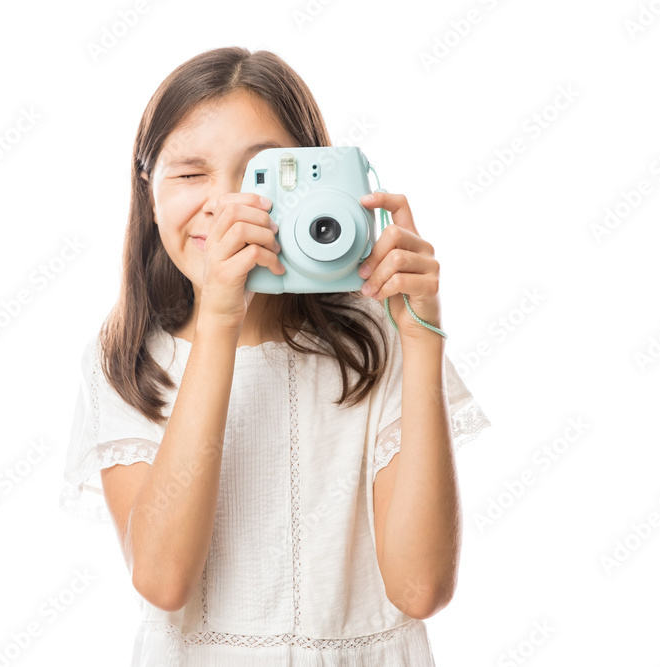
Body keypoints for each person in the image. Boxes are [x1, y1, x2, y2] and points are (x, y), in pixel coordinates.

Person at [59, 46, 492, 666]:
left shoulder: (378, 338)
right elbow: (163, 579)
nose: (229, 206)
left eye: (263, 174)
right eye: (190, 174)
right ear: (148, 190)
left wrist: (422, 340)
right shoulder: (129, 360)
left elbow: (420, 588)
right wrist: (216, 318)